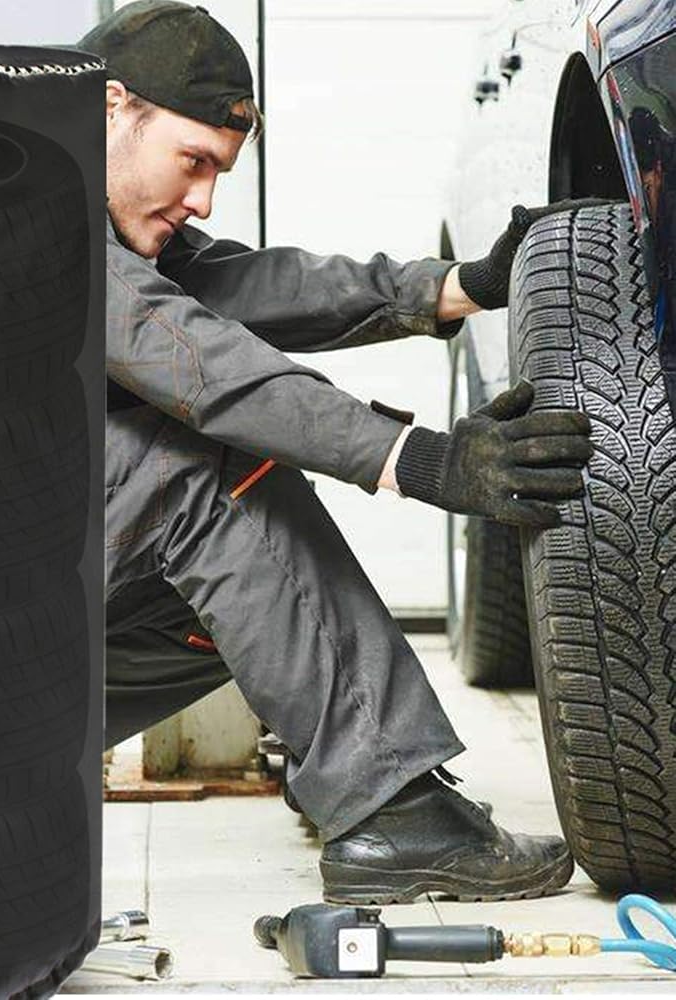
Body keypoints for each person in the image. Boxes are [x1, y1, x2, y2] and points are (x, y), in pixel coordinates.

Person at [79, 1, 596, 904]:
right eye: (193, 161)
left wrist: (456, 287)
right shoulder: (30, 218)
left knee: (242, 590)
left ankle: (347, 771)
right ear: (114, 107)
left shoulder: (90, 215)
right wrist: (424, 460)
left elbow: (241, 286)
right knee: (208, 473)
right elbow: (206, 366)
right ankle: (394, 810)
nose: (203, 198)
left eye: (220, 172)